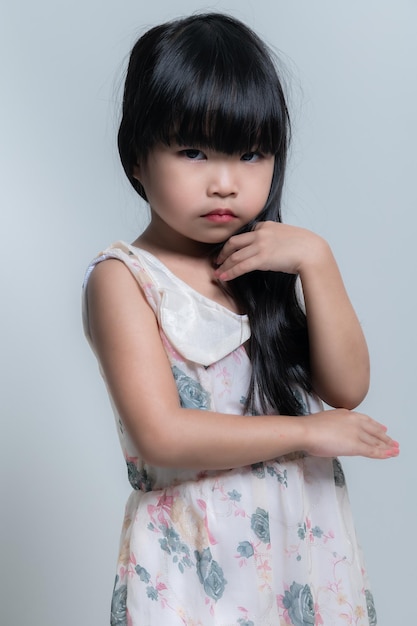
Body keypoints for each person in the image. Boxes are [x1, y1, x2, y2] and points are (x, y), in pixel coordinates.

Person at [82, 13, 399, 626]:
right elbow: (162, 435)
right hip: (199, 559)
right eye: (193, 151)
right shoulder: (124, 278)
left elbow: (347, 387)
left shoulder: (263, 260)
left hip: (302, 552)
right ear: (137, 158)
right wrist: (307, 433)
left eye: (251, 153)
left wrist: (316, 260)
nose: (226, 183)